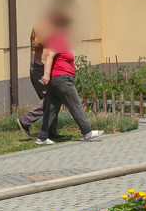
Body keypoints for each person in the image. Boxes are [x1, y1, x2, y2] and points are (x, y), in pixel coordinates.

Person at [36, 10, 104, 145]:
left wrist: (72, 68)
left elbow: (60, 60)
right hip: (61, 79)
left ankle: (42, 137)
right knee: (75, 104)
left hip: (59, 78)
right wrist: (46, 75)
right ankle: (87, 132)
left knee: (52, 108)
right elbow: (49, 56)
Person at [16, 27, 66, 141]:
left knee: (52, 98)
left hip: (45, 67)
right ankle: (25, 121)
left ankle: (51, 131)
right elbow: (38, 44)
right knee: (52, 97)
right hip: (40, 69)